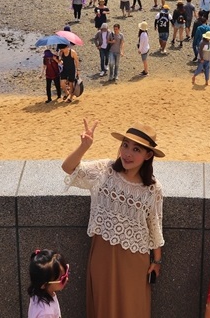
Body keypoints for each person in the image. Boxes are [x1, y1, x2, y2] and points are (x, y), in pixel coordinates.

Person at [62, 120, 165, 318]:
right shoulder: (105, 170)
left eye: (136, 149)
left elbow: (154, 225)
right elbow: (68, 168)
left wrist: (158, 261)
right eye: (125, 145)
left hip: (136, 260)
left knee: (132, 309)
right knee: (104, 308)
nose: (127, 153)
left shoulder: (153, 188)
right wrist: (84, 147)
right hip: (103, 254)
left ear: (148, 155)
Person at [28, 249, 69, 318]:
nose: (67, 278)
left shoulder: (39, 292)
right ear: (44, 285)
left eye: (67, 272)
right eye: (62, 279)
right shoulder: (46, 313)